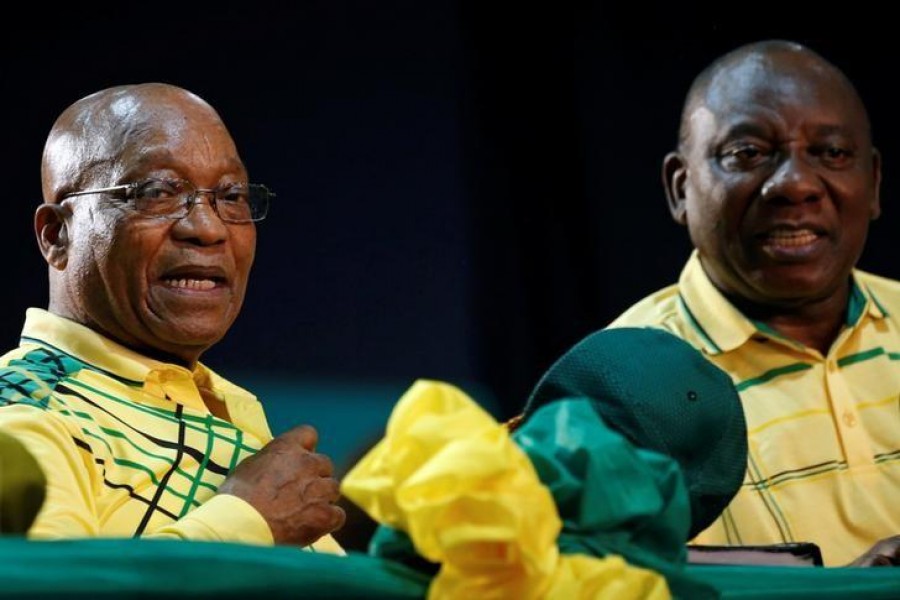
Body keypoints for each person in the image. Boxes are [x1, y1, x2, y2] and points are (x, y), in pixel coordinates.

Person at [0, 83, 345, 552]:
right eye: (158, 191)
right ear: (57, 235)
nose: (207, 228)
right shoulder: (23, 412)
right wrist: (247, 521)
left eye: (231, 195)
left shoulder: (222, 404)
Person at [608, 40, 900, 567]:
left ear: (873, 183)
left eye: (831, 153)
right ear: (681, 188)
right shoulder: (619, 386)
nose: (796, 185)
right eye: (748, 154)